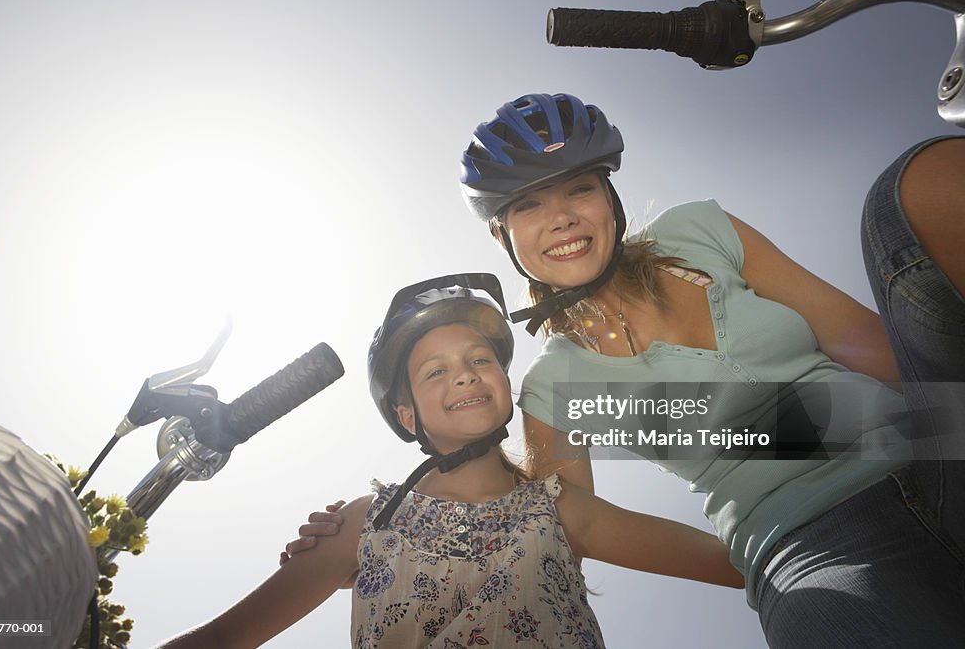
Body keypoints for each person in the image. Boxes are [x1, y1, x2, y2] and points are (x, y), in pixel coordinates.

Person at [287, 94, 965, 647]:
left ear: (608, 197)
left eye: (578, 188)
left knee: (909, 190)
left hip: (935, 448)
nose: (560, 217)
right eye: (527, 204)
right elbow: (548, 530)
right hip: (811, 540)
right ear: (504, 236)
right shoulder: (558, 385)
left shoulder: (697, 233)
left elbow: (866, 345)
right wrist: (387, 539)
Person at [156, 274, 742, 649]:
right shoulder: (367, 522)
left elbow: (741, 564)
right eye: (434, 370)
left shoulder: (558, 512)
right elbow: (225, 637)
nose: (463, 373)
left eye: (480, 359)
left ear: (506, 383)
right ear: (408, 417)